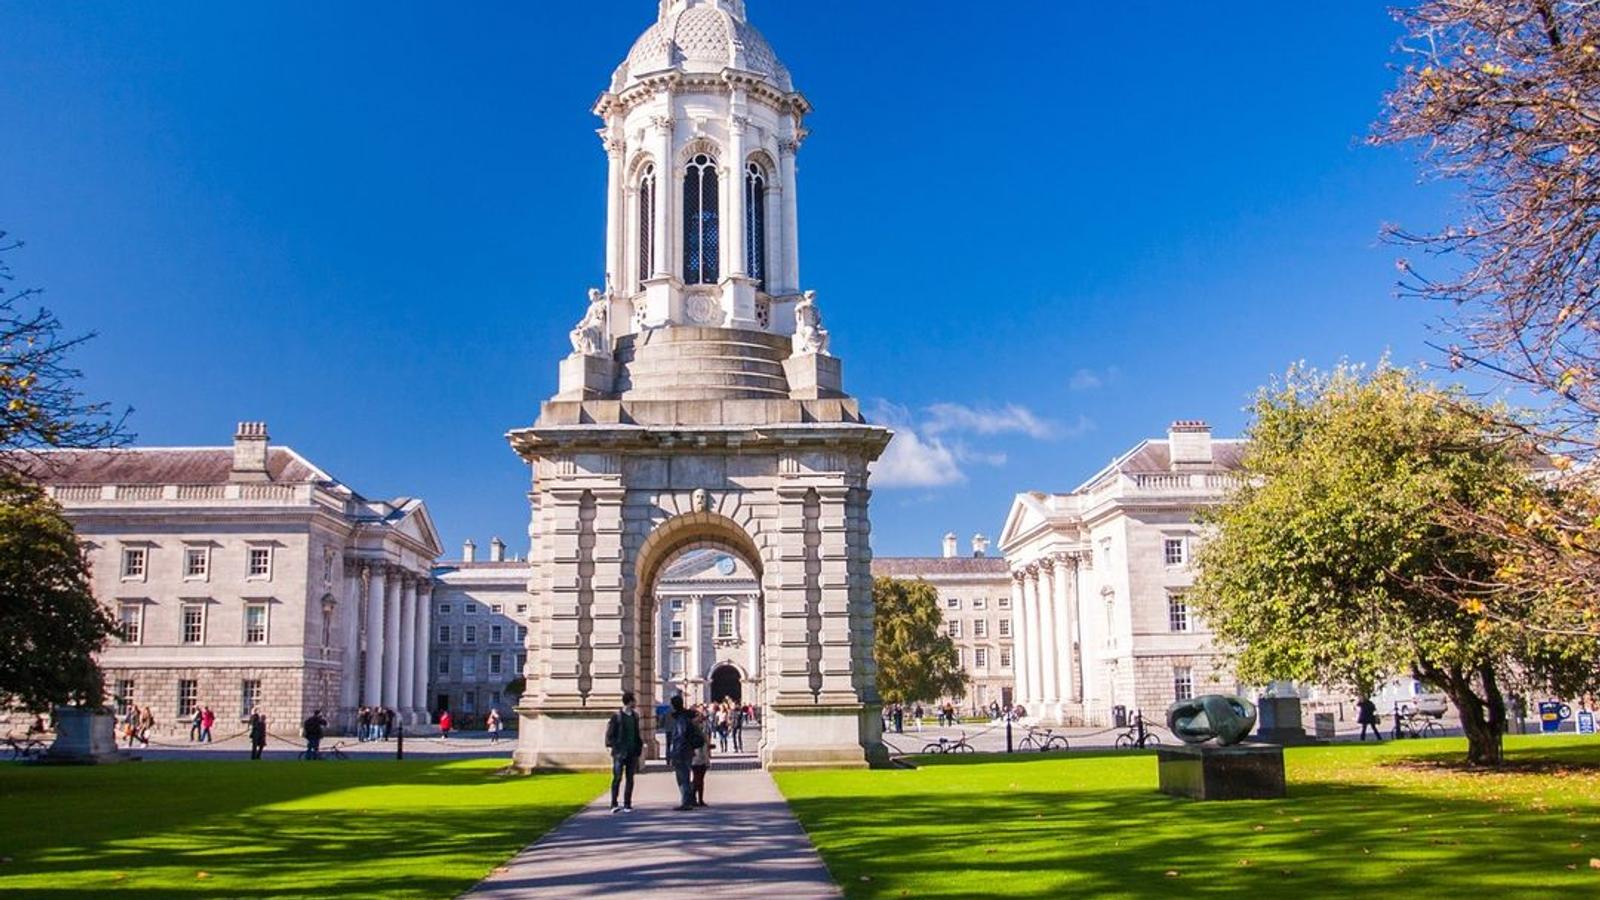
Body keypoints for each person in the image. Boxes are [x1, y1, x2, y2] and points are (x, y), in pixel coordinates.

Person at [604, 691, 644, 813]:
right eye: (634, 700)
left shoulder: (635, 716)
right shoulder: (617, 716)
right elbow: (610, 733)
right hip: (620, 752)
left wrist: (639, 747)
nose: (635, 703)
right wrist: (611, 745)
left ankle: (627, 803)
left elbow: (637, 734)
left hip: (632, 752)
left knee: (630, 778)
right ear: (629, 701)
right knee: (617, 778)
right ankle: (614, 803)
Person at [664, 695, 700, 811]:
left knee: (682, 777)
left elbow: (680, 736)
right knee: (686, 775)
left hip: (681, 751)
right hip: (688, 751)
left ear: (674, 706)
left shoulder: (680, 719)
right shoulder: (686, 716)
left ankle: (686, 802)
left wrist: (674, 753)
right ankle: (691, 798)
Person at [691, 706, 713, 807]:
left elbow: (707, 741)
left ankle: (698, 799)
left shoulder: (702, 726)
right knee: (697, 778)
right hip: (696, 756)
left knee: (699, 778)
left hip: (701, 756)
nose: (700, 717)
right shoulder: (694, 728)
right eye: (698, 715)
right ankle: (693, 797)